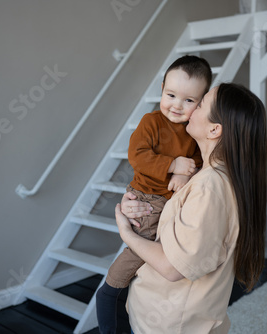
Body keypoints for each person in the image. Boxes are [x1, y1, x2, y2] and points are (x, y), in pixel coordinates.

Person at [115, 82, 267, 333]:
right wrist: (137, 208)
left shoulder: (210, 186)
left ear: (215, 129)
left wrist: (127, 234)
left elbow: (173, 267)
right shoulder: (207, 176)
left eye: (201, 103)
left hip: (170, 325)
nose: (192, 107)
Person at [96, 55, 212, 333]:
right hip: (147, 199)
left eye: (189, 100)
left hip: (168, 202)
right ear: (161, 88)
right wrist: (173, 165)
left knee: (158, 253)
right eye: (170, 95)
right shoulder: (151, 122)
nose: (176, 105)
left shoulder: (194, 132)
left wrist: (185, 172)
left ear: (201, 101)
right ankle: (111, 289)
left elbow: (197, 161)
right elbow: (137, 156)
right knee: (141, 245)